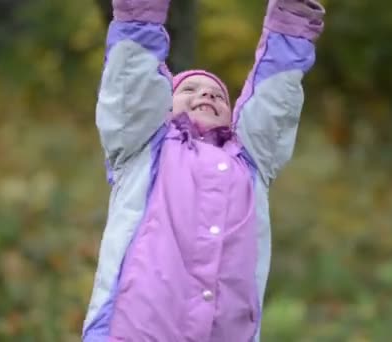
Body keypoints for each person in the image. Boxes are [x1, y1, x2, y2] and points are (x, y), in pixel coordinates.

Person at [82, 0, 325, 341]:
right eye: (189, 90)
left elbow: (274, 99)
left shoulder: (251, 160)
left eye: (218, 95)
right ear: (163, 104)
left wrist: (293, 15)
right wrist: (140, 16)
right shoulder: (143, 146)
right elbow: (132, 83)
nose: (207, 93)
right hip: (136, 330)